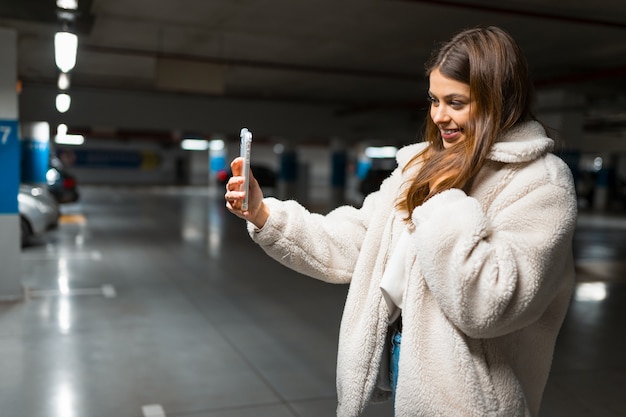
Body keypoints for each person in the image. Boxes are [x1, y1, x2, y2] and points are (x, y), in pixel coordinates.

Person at [224, 26, 577, 417]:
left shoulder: (540, 183)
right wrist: (262, 212)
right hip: (407, 361)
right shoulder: (421, 165)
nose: (439, 116)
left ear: (499, 101)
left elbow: (489, 305)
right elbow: (358, 240)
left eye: (456, 102)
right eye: (434, 100)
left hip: (471, 399)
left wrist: (443, 197)